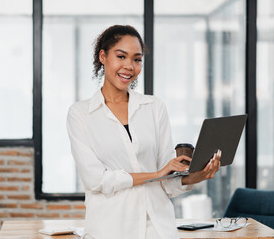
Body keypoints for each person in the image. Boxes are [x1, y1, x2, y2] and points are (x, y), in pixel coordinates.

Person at [66, 25, 221, 239]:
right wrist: (155, 174)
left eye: (137, 59)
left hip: (158, 230)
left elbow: (168, 180)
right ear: (103, 56)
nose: (130, 66)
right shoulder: (81, 114)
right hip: (110, 231)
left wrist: (196, 176)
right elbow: (96, 180)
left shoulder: (154, 107)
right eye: (121, 56)